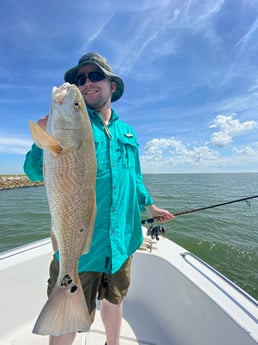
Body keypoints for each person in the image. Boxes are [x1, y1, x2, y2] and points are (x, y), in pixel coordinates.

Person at [23, 52, 174, 345]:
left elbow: (135, 177)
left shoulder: (127, 132)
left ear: (112, 86)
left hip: (123, 240)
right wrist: (41, 140)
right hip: (80, 249)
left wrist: (151, 206)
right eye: (81, 79)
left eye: (95, 77)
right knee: (65, 316)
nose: (87, 83)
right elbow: (32, 172)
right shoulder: (71, 124)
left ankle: (112, 343)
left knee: (115, 301)